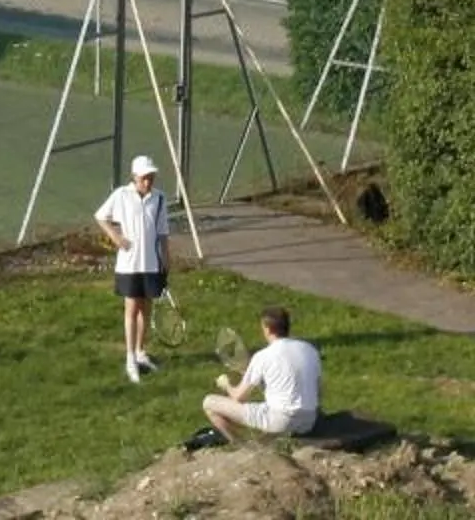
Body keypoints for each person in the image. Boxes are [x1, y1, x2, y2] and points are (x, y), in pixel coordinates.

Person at [93, 154, 171, 383]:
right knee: (132, 309)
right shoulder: (121, 195)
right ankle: (129, 358)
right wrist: (116, 238)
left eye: (151, 177)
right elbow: (101, 217)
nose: (148, 182)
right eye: (145, 177)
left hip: (151, 264)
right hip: (128, 265)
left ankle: (140, 352)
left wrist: (166, 260)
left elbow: (163, 233)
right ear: (135, 177)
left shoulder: (159, 199)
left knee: (146, 309)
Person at [199, 306, 321, 444]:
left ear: (267, 329)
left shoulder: (263, 356)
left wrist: (225, 384)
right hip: (309, 420)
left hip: (280, 420)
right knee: (270, 409)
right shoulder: (310, 350)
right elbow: (315, 390)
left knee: (209, 403)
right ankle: (266, 441)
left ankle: (243, 447)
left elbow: (238, 397)